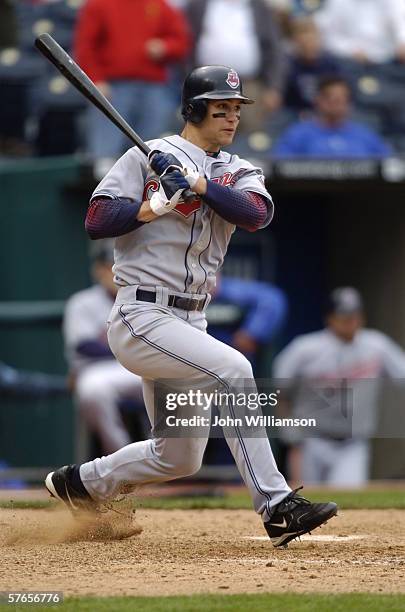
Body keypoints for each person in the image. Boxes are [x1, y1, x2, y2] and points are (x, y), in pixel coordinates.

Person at [45, 65, 337, 548]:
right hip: (142, 316)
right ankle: (278, 505)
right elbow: (97, 220)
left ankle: (80, 483)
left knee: (178, 457)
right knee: (234, 369)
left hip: (189, 322)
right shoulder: (146, 158)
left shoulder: (240, 169)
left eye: (236, 110)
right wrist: (151, 206)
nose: (230, 118)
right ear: (194, 109)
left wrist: (199, 185)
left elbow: (255, 214)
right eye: (220, 109)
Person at [273, 287, 405, 486]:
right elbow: (279, 392)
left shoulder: (377, 345)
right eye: (344, 315)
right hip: (311, 441)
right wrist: (290, 433)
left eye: (355, 314)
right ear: (330, 318)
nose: (351, 320)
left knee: (347, 500)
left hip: (353, 444)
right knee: (308, 501)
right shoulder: (304, 349)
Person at [74, 0, 190, 178]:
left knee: (151, 152)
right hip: (113, 86)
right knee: (105, 159)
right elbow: (86, 45)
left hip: (153, 87)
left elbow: (181, 41)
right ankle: (106, 195)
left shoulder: (159, 5)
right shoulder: (99, 4)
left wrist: (165, 47)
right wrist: (95, 79)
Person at [63, 241, 144, 455]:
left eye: (119, 265)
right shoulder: (82, 302)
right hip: (100, 369)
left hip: (141, 369)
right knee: (92, 390)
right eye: (108, 266)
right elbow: (84, 345)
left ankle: (168, 460)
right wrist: (131, 348)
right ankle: (124, 458)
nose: (114, 272)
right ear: (97, 270)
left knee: (177, 384)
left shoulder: (144, 301)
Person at [185, 0, 286, 130]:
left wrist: (274, 87)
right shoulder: (199, 5)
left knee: (251, 134)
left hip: (249, 84)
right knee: (208, 131)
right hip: (208, 86)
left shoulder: (259, 6)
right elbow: (187, 43)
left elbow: (274, 48)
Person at [273, 75, 392, 157]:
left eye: (341, 99)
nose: (336, 104)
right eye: (330, 98)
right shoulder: (298, 134)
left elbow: (389, 164)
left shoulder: (366, 136)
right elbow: (280, 167)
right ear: (318, 100)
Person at [314, 0, 405, 65]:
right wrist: (351, 50)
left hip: (389, 58)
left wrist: (402, 42)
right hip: (351, 60)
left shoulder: (394, 2)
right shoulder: (337, 2)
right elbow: (330, 37)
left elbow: (400, 23)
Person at [283, 17, 340, 113]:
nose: (309, 45)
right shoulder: (288, 65)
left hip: (325, 115)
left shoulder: (331, 65)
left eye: (312, 39)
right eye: (304, 42)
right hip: (295, 114)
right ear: (296, 42)